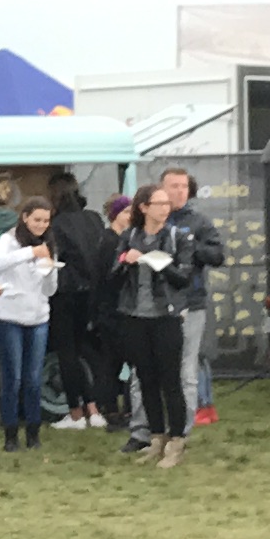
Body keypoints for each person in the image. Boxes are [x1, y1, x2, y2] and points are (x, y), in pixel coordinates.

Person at [105, 183, 194, 463]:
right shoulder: (130, 236)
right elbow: (112, 278)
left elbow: (184, 278)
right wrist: (126, 261)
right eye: (159, 204)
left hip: (167, 316)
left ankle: (177, 441)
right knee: (146, 380)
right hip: (135, 317)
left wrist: (160, 264)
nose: (165, 209)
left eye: (167, 204)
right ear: (144, 208)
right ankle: (156, 437)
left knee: (171, 381)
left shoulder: (178, 237)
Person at [150, 167, 227, 430]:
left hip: (191, 302)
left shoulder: (199, 221)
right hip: (155, 303)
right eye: (174, 186)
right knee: (156, 367)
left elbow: (218, 256)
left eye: (184, 186)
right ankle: (155, 423)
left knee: (188, 367)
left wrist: (190, 245)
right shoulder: (152, 220)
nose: (180, 191)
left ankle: (184, 427)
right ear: (162, 189)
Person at [0, 196, 60, 448]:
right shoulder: (8, 240)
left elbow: (50, 290)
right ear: (25, 217)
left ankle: (33, 432)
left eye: (46, 221)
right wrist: (30, 253)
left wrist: (49, 271)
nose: (41, 225)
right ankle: (10, 433)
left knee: (34, 378)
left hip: (38, 318)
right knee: (12, 378)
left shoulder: (49, 243)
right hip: (10, 316)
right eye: (37, 219)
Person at [47, 174, 118, 430]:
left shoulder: (56, 225)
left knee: (68, 353)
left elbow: (54, 259)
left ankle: (76, 413)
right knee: (89, 351)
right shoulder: (94, 219)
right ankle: (95, 409)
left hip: (66, 294)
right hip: (93, 293)